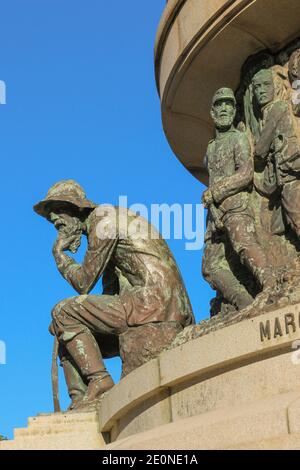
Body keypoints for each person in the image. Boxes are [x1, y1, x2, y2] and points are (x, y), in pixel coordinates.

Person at [34, 180, 194, 410]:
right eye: (52, 221)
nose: (55, 223)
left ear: (78, 210)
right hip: (149, 303)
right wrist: (68, 326)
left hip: (151, 304)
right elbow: (109, 292)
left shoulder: (104, 223)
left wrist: (59, 255)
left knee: (62, 310)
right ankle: (80, 401)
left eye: (59, 215)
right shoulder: (107, 222)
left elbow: (83, 283)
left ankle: (100, 380)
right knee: (64, 328)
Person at [202, 87, 276, 311]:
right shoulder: (211, 147)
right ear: (213, 112)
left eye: (228, 105)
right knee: (210, 267)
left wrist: (216, 192)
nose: (224, 109)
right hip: (215, 217)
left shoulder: (238, 138)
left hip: (236, 207)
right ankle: (244, 303)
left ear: (234, 111)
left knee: (244, 247)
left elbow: (245, 174)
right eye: (219, 105)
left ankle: (272, 287)